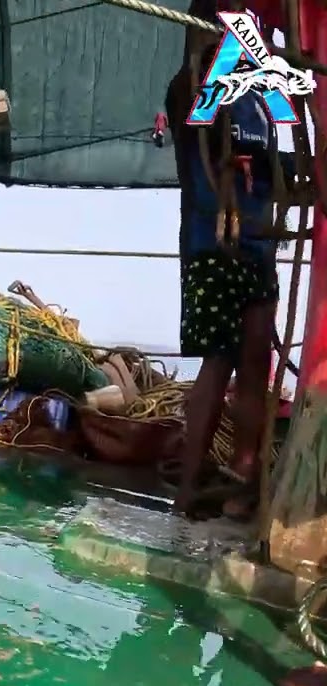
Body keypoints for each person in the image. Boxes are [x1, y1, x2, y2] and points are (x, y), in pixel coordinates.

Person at [165, 40, 282, 520]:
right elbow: (194, 126)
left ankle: (243, 476)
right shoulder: (190, 85)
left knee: (256, 362)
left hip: (257, 244)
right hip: (211, 244)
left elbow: (283, 146)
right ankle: (188, 487)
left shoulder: (264, 97)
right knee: (218, 362)